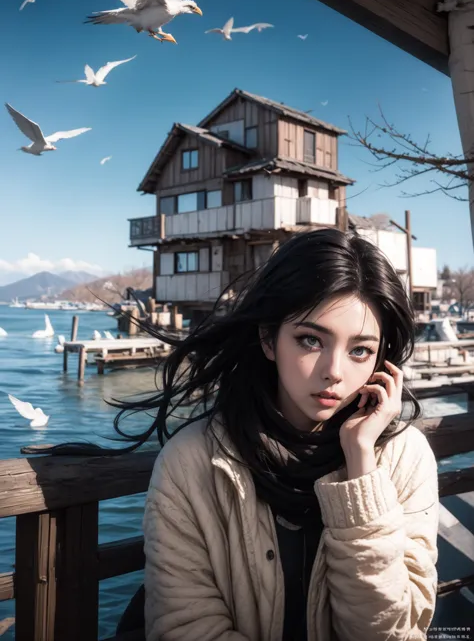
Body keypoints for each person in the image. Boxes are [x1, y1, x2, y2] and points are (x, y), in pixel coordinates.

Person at [116, 227, 440, 641]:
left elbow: (392, 632)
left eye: (360, 350)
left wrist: (361, 469)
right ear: (269, 339)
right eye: (310, 340)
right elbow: (186, 628)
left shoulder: (403, 457)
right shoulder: (194, 461)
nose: (335, 372)